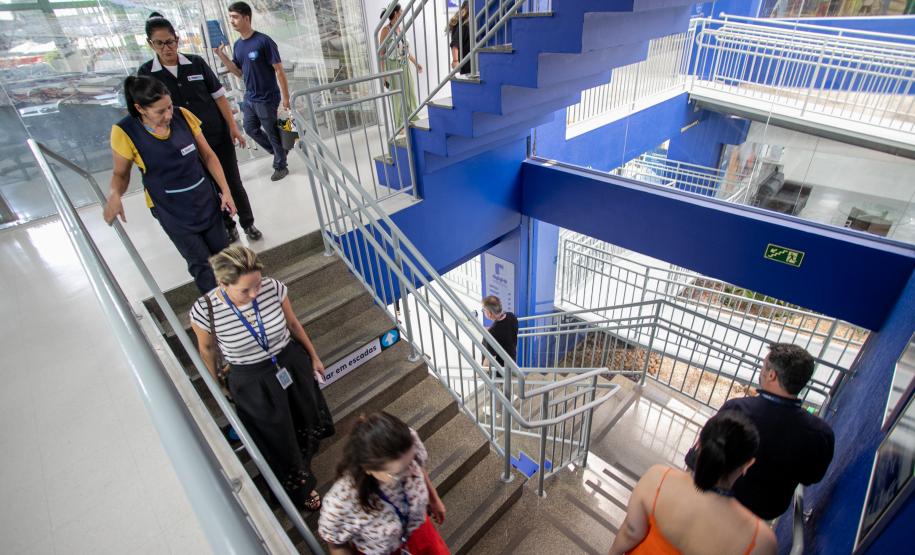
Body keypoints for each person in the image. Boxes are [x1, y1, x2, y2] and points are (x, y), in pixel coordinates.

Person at [190, 246, 334, 511]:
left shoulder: (274, 288)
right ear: (223, 283)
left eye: (257, 284)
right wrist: (216, 387)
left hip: (290, 364)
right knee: (276, 439)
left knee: (304, 418)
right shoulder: (204, 309)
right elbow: (207, 350)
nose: (255, 293)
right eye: (245, 290)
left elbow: (293, 324)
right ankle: (299, 487)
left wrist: (313, 356)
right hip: (252, 380)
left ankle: (305, 464)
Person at [103, 75, 236, 294]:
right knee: (201, 263)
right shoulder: (124, 132)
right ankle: (219, 312)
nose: (168, 115)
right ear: (140, 108)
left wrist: (226, 191)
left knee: (224, 255)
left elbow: (208, 156)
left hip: (204, 197)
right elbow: (120, 173)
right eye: (160, 111)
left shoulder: (183, 116)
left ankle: (238, 299)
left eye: (170, 107)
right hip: (170, 208)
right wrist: (115, 194)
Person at [138, 13, 262, 243]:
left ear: (177, 39)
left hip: (216, 135)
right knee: (208, 188)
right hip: (184, 144)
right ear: (151, 44)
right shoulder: (147, 74)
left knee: (232, 181)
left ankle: (248, 223)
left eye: (170, 41)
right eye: (160, 43)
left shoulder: (196, 63)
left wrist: (233, 127)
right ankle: (228, 225)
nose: (167, 48)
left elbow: (219, 98)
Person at [685, 343, 835, 521]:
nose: (761, 371)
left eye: (764, 367)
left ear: (772, 375)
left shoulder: (737, 409)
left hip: (717, 501)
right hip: (761, 515)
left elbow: (704, 454)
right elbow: (812, 477)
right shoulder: (820, 434)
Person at [608, 411, 776, 555]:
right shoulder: (760, 539)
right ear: (748, 464)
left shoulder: (659, 478)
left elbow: (631, 532)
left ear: (699, 444)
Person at [318, 412, 448, 555]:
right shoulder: (341, 503)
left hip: (421, 533)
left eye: (410, 462)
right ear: (368, 468)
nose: (411, 473)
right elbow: (337, 545)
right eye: (398, 473)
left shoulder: (407, 440)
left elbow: (418, 464)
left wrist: (434, 499)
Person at [214, 1, 291, 182]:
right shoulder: (238, 46)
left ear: (246, 18)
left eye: (235, 17)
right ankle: (279, 151)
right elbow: (239, 72)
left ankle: (281, 165)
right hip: (250, 97)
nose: (231, 21)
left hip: (267, 97)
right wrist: (221, 55)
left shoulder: (264, 41)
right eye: (230, 17)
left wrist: (286, 98)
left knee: (272, 131)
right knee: (250, 128)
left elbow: (279, 70)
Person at [378, 4, 423, 132]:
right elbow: (381, 54)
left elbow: (406, 51)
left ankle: (413, 118)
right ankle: (400, 125)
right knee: (397, 97)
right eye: (401, 11)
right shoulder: (386, 30)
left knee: (410, 92)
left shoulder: (400, 28)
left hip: (404, 64)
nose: (403, 12)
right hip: (393, 65)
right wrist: (384, 76)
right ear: (396, 13)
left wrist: (415, 63)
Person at [482, 295, 519, 375]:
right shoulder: (512, 317)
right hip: (511, 363)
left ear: (489, 313)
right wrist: (491, 329)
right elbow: (504, 330)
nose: (483, 312)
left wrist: (479, 373)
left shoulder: (492, 333)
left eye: (484, 310)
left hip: (499, 372)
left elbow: (489, 360)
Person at [447, 1, 471, 76]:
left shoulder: (461, 21)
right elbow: (455, 43)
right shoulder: (465, 23)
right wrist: (455, 61)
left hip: (466, 63)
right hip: (468, 65)